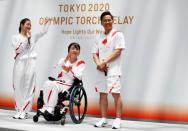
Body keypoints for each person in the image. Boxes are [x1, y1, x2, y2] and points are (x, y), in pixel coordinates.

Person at [92, 11, 125, 129]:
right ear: (101, 22)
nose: (107, 22)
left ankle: (118, 119)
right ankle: (103, 118)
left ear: (112, 20)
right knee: (102, 94)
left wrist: (104, 62)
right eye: (105, 20)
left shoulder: (118, 34)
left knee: (116, 94)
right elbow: (94, 53)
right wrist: (98, 63)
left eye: (109, 20)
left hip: (113, 70)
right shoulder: (98, 36)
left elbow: (118, 51)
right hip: (101, 70)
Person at [12, 18, 49, 119]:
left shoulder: (33, 36)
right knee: (18, 86)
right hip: (20, 62)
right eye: (27, 24)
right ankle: (19, 109)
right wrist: (26, 39)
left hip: (31, 62)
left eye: (30, 25)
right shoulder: (15, 37)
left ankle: (25, 111)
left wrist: (46, 23)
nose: (29, 26)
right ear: (21, 25)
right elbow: (17, 49)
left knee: (28, 86)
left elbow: (43, 32)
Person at [39, 42, 85, 115]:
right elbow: (57, 68)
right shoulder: (63, 60)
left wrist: (68, 71)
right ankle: (45, 107)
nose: (75, 50)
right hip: (59, 81)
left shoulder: (80, 62)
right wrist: (65, 60)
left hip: (69, 83)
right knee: (47, 83)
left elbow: (78, 76)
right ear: (68, 50)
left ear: (79, 52)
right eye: (72, 48)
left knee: (54, 84)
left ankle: (51, 107)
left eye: (77, 49)